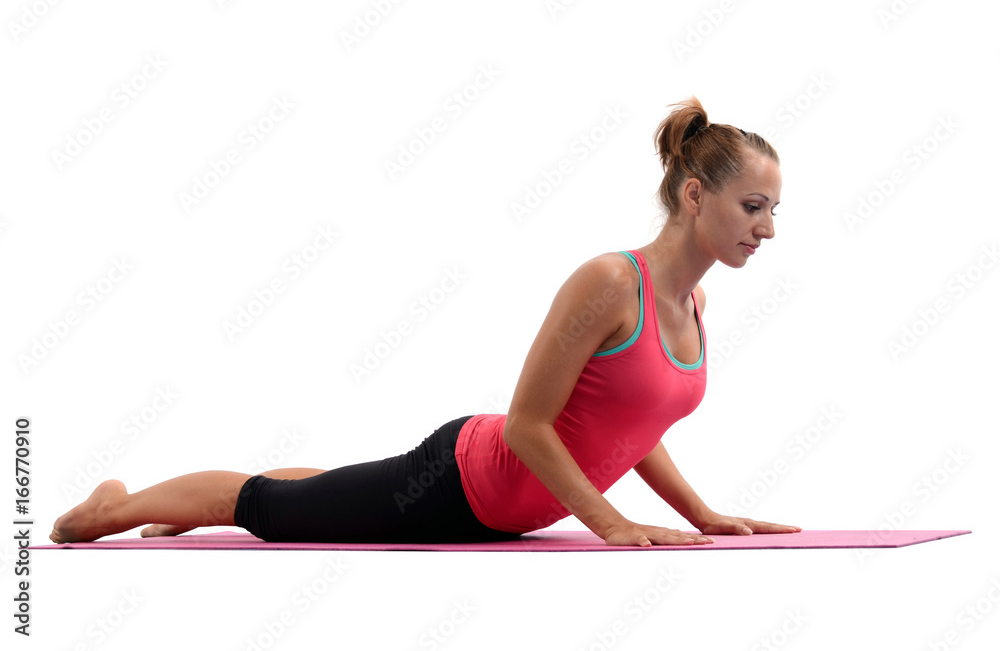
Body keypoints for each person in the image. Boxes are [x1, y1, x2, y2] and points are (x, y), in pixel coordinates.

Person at [50, 96, 800, 548]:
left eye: (775, 211)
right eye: (752, 207)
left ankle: (174, 506)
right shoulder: (610, 282)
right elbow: (527, 427)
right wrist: (607, 524)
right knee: (270, 508)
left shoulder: (693, 304)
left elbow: (629, 426)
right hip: (460, 484)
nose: (766, 230)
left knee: (332, 492)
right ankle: (111, 509)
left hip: (501, 512)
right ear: (696, 195)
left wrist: (700, 513)